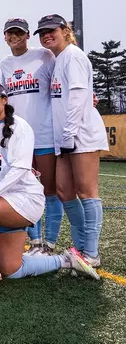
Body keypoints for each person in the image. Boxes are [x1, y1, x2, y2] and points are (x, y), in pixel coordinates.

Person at [0, 80, 99, 287]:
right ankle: (66, 260)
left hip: (24, 201)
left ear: (4, 100)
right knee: (12, 269)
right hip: (1, 203)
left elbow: (20, 169)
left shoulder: (20, 127)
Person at [37, 14, 108, 267]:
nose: (46, 35)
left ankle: (91, 253)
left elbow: (79, 96)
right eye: (42, 32)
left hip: (81, 135)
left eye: (51, 30)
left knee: (87, 191)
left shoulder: (74, 56)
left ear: (65, 30)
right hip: (64, 138)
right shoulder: (58, 60)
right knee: (64, 191)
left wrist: (68, 134)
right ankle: (79, 247)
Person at [0, 18, 63, 255]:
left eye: (19, 33)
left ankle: (50, 243)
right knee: (26, 191)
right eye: (9, 33)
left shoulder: (45, 56)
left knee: (50, 190)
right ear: (4, 37)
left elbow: (63, 80)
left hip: (45, 134)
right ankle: (35, 243)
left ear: (27, 35)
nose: (14, 37)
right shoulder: (3, 65)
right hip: (18, 139)